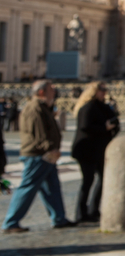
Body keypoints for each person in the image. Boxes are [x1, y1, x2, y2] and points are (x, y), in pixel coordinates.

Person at [2, 80, 75, 233]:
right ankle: (11, 222)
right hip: (38, 155)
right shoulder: (35, 108)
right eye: (51, 90)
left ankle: (59, 218)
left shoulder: (43, 107)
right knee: (28, 188)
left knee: (52, 188)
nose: (54, 92)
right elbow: (39, 134)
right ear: (41, 92)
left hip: (46, 155)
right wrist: (50, 148)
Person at [71, 82, 117, 223]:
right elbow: (86, 126)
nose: (104, 92)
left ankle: (93, 209)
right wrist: (105, 128)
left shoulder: (101, 106)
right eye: (102, 90)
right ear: (94, 91)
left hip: (98, 149)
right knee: (88, 181)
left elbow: (113, 117)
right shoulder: (88, 107)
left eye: (105, 90)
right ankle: (81, 213)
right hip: (87, 150)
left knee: (102, 179)